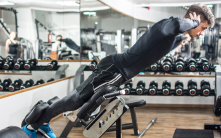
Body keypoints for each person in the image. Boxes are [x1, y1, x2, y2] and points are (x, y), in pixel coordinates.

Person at [22, 4, 214, 138]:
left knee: (78, 102)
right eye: (203, 27)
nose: (202, 32)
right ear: (193, 19)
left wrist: (183, 39)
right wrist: (193, 24)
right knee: (75, 101)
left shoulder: (174, 35)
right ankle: (35, 125)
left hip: (118, 73)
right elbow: (175, 26)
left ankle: (41, 122)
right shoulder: (168, 23)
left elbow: (164, 44)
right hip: (113, 69)